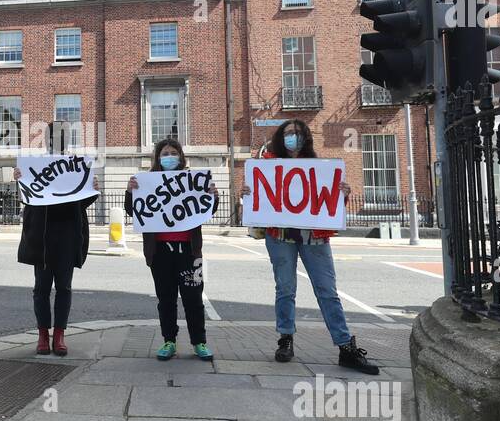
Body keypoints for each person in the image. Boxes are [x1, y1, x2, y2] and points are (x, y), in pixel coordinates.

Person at [240, 120, 378, 374]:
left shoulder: (320, 167)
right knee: (285, 289)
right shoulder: (267, 165)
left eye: (299, 133)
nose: (295, 137)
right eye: (290, 133)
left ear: (306, 138)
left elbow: (329, 204)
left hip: (315, 237)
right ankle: (286, 339)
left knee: (327, 291)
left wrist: (342, 194)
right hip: (280, 236)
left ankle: (345, 346)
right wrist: (247, 192)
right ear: (281, 137)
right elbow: (256, 200)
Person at [126, 138, 219, 361]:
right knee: (166, 299)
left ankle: (200, 342)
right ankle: (169, 341)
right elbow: (133, 211)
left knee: (194, 299)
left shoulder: (193, 180)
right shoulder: (147, 181)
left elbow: (206, 210)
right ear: (158, 158)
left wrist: (212, 196)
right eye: (165, 153)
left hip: (190, 251)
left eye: (173, 152)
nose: (169, 157)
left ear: (181, 156)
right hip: (159, 252)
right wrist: (131, 192)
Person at [15, 165, 101, 356]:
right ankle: (43, 334)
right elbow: (26, 198)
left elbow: (82, 202)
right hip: (42, 238)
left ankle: (60, 334)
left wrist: (92, 189)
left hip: (67, 237)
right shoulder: (38, 165)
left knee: (64, 288)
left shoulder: (74, 166)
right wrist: (20, 181)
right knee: (41, 289)